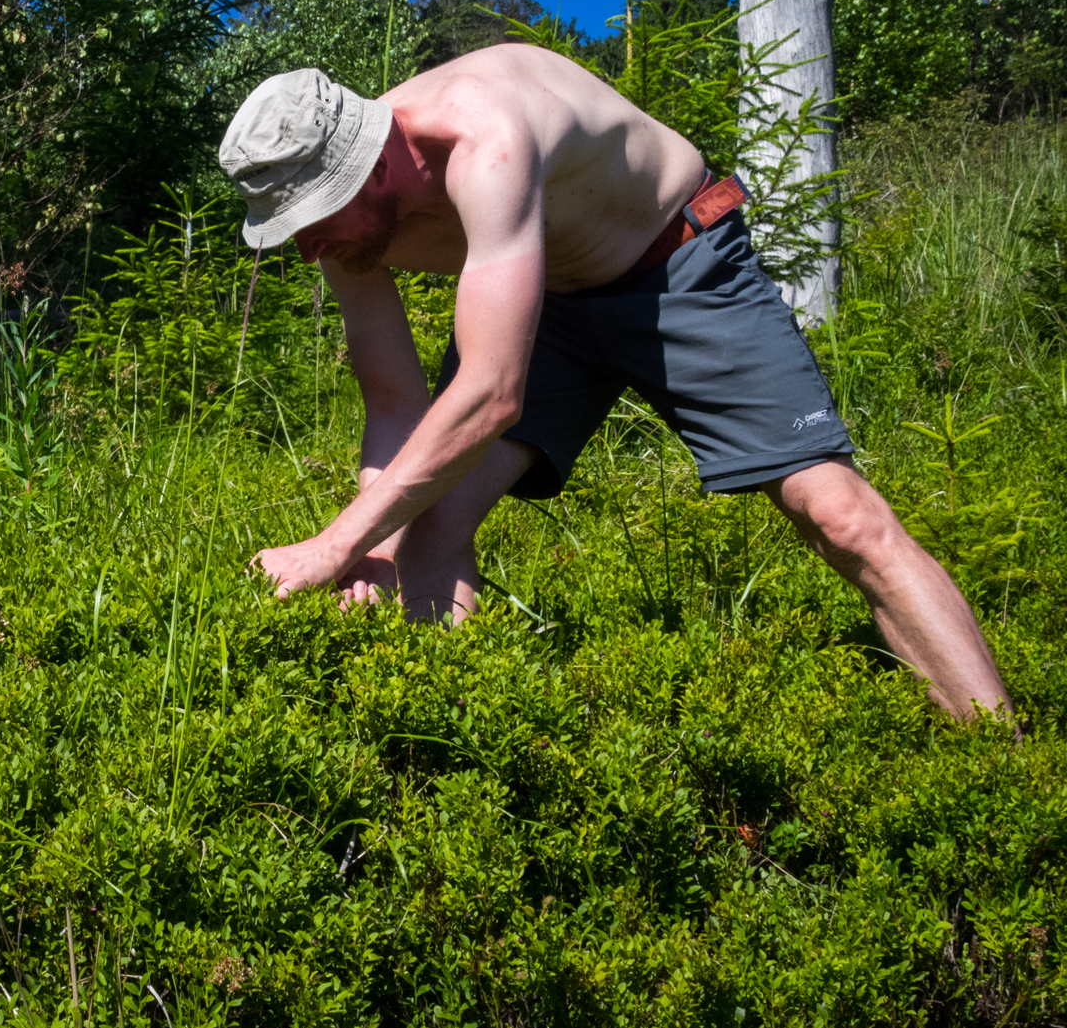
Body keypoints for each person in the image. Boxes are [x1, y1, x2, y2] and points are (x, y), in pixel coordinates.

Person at [224, 47, 1010, 720]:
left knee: (837, 514)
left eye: (315, 217)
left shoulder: (485, 137)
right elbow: (395, 402)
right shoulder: (339, 234)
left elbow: (492, 391)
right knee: (426, 525)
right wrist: (368, 544)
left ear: (373, 163)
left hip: (678, 262)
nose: (307, 246)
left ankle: (1003, 763)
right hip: (546, 302)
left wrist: (334, 542)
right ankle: (449, 759)